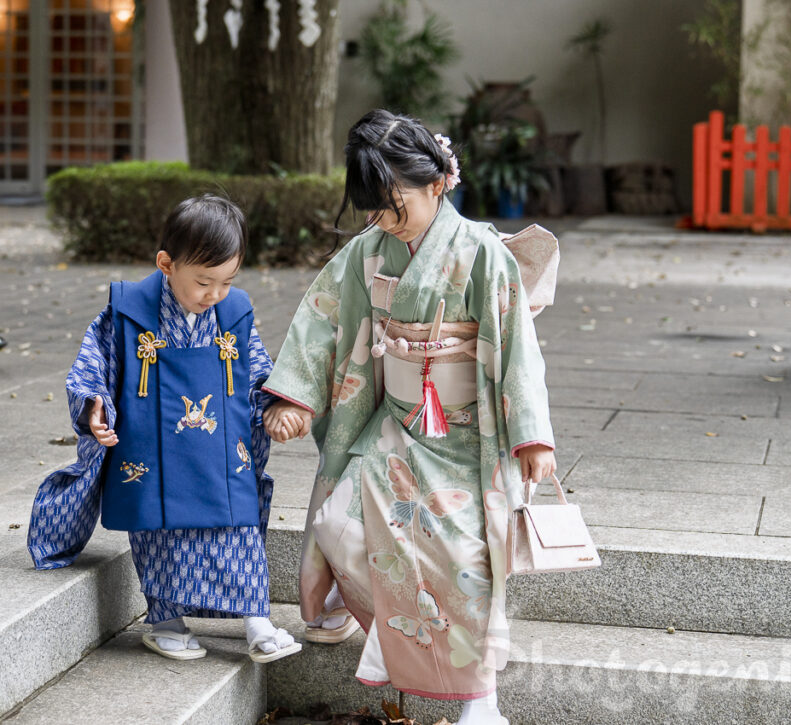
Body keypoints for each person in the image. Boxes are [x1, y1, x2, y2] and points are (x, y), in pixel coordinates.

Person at [262, 109, 557, 725]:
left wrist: (531, 435)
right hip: (397, 425)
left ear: (438, 183)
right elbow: (322, 319)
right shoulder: (368, 251)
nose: (383, 222)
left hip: (466, 435)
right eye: (374, 209)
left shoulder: (481, 253)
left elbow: (517, 351)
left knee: (464, 561)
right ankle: (360, 612)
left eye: (394, 207)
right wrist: (294, 397)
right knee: (337, 524)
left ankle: (480, 702)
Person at [27, 195, 300, 663]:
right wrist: (95, 407)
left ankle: (258, 621)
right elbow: (94, 367)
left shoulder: (234, 314)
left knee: (238, 531)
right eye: (203, 281)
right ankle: (165, 620)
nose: (214, 294)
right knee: (162, 536)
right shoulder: (129, 311)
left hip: (220, 452)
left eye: (227, 281)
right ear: (166, 264)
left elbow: (258, 373)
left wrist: (276, 404)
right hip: (152, 454)